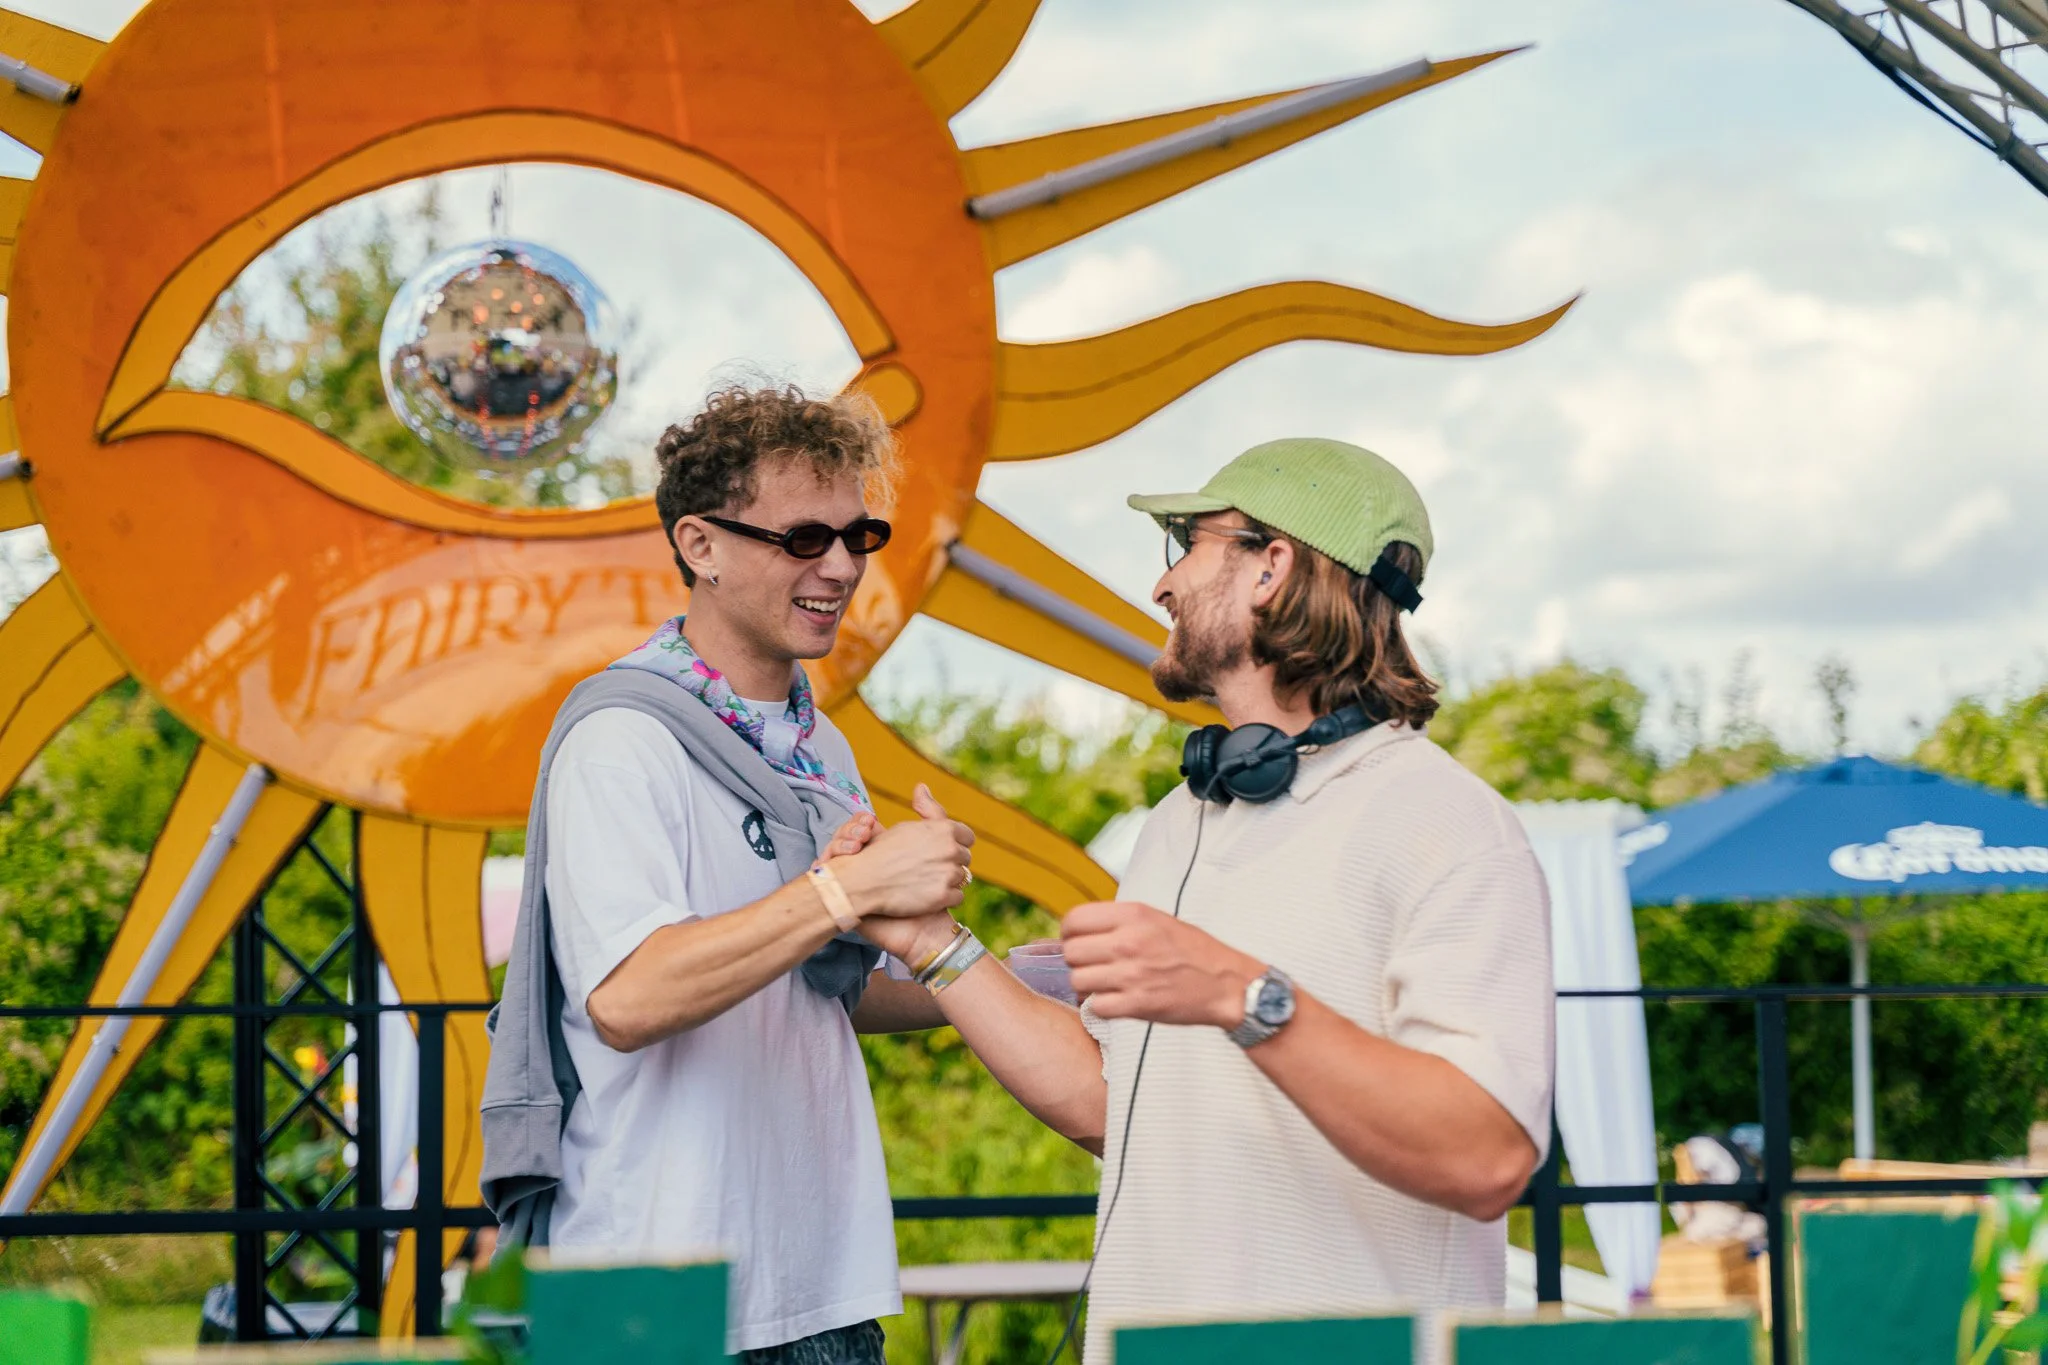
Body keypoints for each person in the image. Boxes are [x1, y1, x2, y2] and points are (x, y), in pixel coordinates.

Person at [874, 438, 1557, 1358]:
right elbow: (1111, 1104)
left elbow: (1487, 1158)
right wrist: (934, 944)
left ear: (1271, 565)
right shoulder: (1180, 822)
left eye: (1186, 545)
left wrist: (1244, 996)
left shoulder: (1452, 828)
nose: (1162, 586)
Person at [481, 384, 980, 1365]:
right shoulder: (621, 737)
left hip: (824, 1281)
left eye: (857, 534)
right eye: (802, 538)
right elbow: (628, 996)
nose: (840, 566)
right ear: (699, 545)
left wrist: (996, 981)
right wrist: (845, 893)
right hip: (659, 1293)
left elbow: (814, 993)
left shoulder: (817, 745)